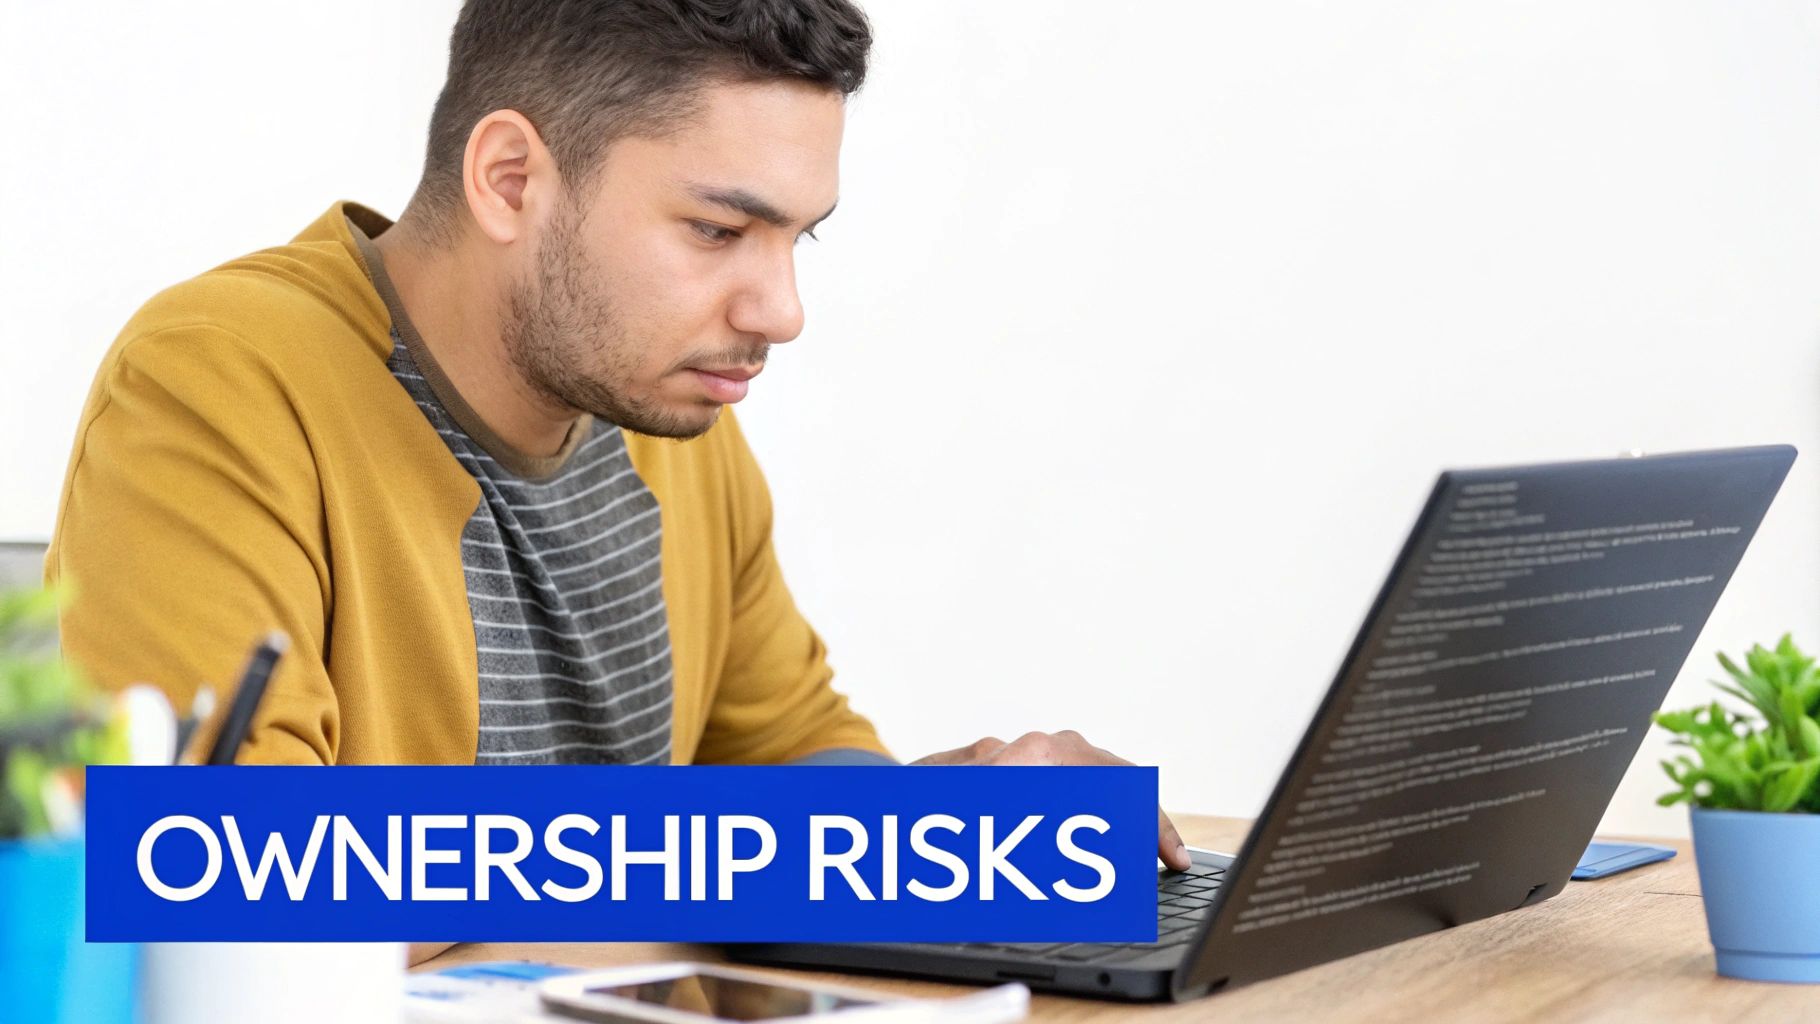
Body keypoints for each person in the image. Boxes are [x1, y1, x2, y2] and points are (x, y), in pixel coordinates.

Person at [47, 0, 1190, 939]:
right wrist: (821, 852)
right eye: (714, 230)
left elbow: (784, 750)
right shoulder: (222, 378)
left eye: (800, 238)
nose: (779, 310)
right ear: (508, 177)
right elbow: (213, 871)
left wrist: (958, 828)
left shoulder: (662, 402)